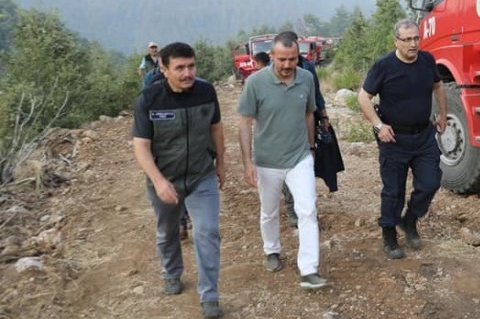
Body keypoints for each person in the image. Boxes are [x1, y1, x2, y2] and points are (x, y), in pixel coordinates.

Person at [132, 42, 225, 318]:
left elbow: (216, 128)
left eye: (191, 66)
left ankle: (209, 295)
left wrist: (221, 161)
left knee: (207, 232)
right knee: (167, 231)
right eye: (180, 68)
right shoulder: (149, 99)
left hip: (200, 176)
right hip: (165, 179)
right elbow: (140, 146)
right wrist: (159, 181)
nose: (187, 73)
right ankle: (171, 272)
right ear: (164, 68)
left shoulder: (206, 91)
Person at [237, 31, 327, 289]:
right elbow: (244, 124)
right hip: (267, 160)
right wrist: (247, 162)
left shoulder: (307, 79)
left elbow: (309, 114)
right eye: (282, 60)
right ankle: (271, 250)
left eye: (293, 59)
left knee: (308, 210)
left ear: (299, 57)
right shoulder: (255, 83)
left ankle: (309, 269)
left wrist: (310, 148)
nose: (288, 65)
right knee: (269, 211)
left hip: (299, 157)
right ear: (272, 57)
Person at [357, 18, 447, 259]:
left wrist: (443, 115)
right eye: (407, 39)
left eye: (416, 38)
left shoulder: (427, 60)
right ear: (396, 41)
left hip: (424, 135)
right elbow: (363, 97)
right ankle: (389, 234)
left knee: (430, 182)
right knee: (393, 191)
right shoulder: (384, 65)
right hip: (394, 138)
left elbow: (438, 86)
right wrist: (378, 125)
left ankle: (409, 220)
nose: (413, 44)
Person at [281, 34, 331, 228]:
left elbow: (316, 93)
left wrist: (324, 117)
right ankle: (292, 206)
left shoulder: (308, 67)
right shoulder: (272, 71)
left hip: (307, 119)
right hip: (284, 125)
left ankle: (306, 209)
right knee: (286, 165)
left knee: (306, 164)